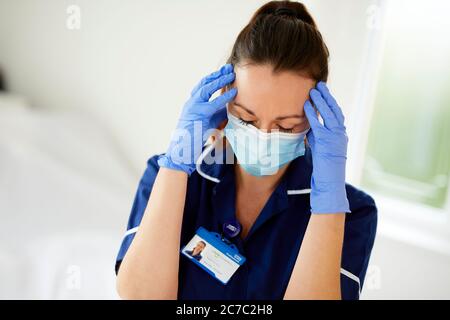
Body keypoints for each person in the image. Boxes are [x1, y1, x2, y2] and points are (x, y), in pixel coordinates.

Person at [115, 0, 377, 300]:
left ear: (315, 118)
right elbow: (140, 296)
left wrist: (328, 203)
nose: (263, 137)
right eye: (246, 118)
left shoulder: (353, 212)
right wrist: (175, 166)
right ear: (226, 99)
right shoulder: (170, 178)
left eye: (286, 126)